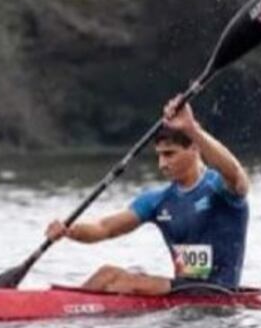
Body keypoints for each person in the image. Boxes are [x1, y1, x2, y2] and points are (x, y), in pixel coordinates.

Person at [45, 94, 250, 295]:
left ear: (194, 148)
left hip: (219, 291)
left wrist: (192, 129)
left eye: (169, 154)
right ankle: (68, 310)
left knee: (130, 283)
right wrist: (68, 230)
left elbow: (236, 174)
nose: (162, 164)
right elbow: (103, 229)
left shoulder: (218, 187)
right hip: (184, 288)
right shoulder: (157, 200)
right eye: (159, 155)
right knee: (106, 274)